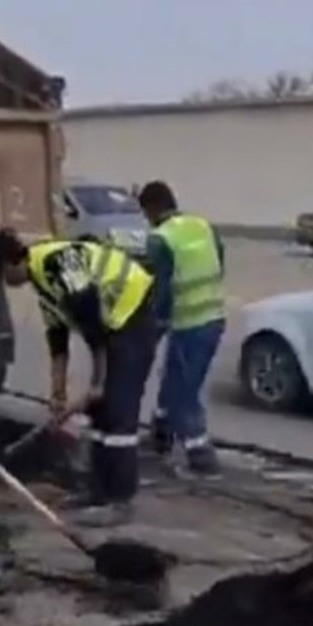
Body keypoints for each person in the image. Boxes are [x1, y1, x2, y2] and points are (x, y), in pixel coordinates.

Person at [0, 228, 156, 527]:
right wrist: (57, 393)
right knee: (99, 413)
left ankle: (120, 501)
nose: (5, 284)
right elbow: (58, 339)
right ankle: (98, 491)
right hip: (111, 327)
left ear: (10, 264)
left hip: (132, 317)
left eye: (1, 275)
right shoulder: (42, 282)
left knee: (118, 410)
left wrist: (98, 383)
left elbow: (94, 327)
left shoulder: (57, 264)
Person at [137, 180, 226, 476]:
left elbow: (159, 290)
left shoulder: (160, 239)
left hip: (189, 323)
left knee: (184, 392)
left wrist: (154, 326)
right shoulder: (202, 226)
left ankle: (201, 457)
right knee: (174, 376)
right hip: (214, 317)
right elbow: (220, 263)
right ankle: (161, 435)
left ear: (150, 209)